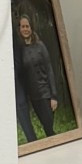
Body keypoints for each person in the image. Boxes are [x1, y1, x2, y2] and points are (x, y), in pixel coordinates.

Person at [14, 11, 59, 143]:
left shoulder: (40, 46)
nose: (25, 29)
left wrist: (53, 96)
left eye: (27, 26)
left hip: (45, 94)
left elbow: (49, 69)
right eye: (23, 26)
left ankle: (57, 147)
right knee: (45, 127)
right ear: (19, 29)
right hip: (33, 97)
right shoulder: (20, 49)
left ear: (31, 27)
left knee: (49, 127)